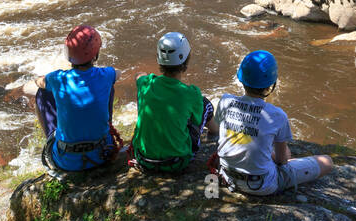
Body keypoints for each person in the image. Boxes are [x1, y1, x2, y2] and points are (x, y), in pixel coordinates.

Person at [213, 50, 334, 195]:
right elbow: (283, 160)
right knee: (327, 162)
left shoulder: (225, 101)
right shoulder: (277, 115)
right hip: (262, 186)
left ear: (241, 78)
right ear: (271, 84)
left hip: (227, 176)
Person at [33, 24, 121, 173]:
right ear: (95, 54)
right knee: (109, 86)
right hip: (102, 154)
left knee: (41, 94)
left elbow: (39, 82)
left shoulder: (58, 78)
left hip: (66, 161)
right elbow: (118, 73)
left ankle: (50, 138)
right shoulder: (106, 74)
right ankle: (105, 126)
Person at [130, 31, 214, 174]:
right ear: (186, 61)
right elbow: (196, 120)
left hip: (143, 159)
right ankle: (216, 131)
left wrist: (145, 77)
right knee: (205, 104)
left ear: (159, 59)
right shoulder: (192, 93)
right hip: (176, 163)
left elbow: (138, 76)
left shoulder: (146, 83)